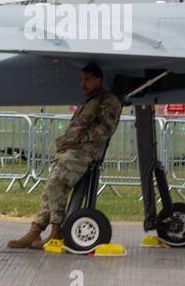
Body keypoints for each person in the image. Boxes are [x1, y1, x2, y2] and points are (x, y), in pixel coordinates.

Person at [8, 64, 122, 250]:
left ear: (98, 79)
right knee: (50, 190)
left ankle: (56, 232)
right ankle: (35, 230)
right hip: (70, 152)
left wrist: (78, 140)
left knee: (56, 185)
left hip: (82, 153)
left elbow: (105, 128)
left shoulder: (107, 101)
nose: (82, 84)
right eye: (81, 79)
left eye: (87, 79)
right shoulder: (91, 100)